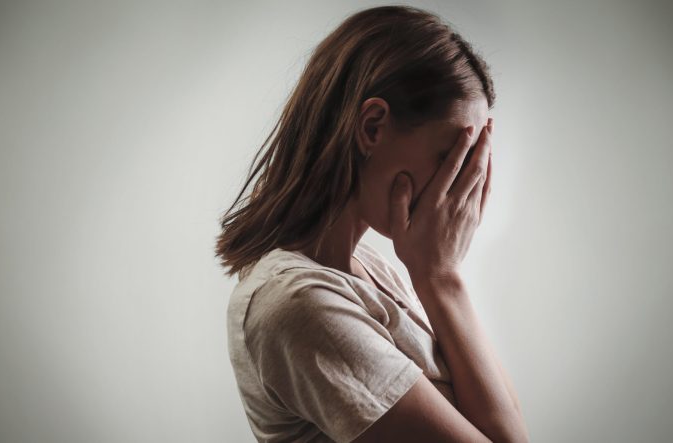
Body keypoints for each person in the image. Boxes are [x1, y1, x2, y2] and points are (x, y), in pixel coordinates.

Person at [215, 5, 529, 442]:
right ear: (373, 126)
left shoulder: (366, 269)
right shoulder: (298, 304)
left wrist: (441, 277)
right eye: (449, 157)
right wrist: (440, 277)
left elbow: (505, 420)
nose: (459, 187)